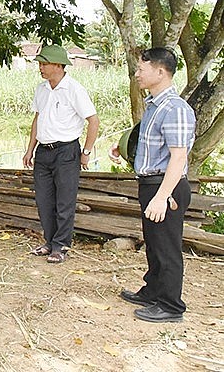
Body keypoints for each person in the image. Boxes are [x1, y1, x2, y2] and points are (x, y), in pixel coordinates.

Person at [110, 47, 195, 323]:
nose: (137, 74)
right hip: (151, 184)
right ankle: (153, 291)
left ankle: (171, 306)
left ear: (160, 72)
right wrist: (122, 147)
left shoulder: (175, 109)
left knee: (167, 247)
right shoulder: (154, 105)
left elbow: (178, 156)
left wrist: (162, 196)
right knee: (154, 244)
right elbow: (151, 145)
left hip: (165, 188)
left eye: (141, 69)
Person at [22, 45, 99, 264]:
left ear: (58, 65)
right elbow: (38, 119)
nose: (41, 68)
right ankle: (49, 242)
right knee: (44, 200)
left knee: (65, 200)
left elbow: (93, 121)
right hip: (44, 151)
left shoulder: (74, 89)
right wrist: (30, 149)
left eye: (44, 64)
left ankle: (61, 246)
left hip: (67, 151)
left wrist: (86, 152)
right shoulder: (42, 89)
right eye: (40, 64)